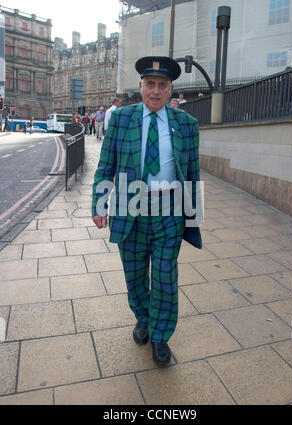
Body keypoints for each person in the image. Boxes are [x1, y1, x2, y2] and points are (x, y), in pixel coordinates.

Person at [92, 56, 202, 367]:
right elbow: (105, 167)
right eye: (150, 84)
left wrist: (193, 217)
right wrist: (100, 205)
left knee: (166, 276)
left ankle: (161, 335)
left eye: (162, 85)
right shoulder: (122, 119)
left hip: (169, 210)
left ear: (171, 91)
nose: (155, 90)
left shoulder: (186, 125)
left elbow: (193, 172)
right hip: (130, 207)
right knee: (135, 274)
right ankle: (143, 318)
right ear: (140, 87)